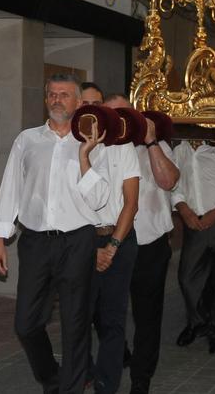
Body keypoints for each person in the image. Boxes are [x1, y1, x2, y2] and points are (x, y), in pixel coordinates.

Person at [0, 73, 112, 394]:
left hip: (77, 240)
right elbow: (10, 190)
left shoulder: (94, 142)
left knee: (75, 324)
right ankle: (53, 378)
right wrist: (0, 239)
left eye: (64, 94)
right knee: (26, 323)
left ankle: (70, 389)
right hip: (34, 242)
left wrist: (84, 157)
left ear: (76, 102)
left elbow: (100, 199)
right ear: (46, 99)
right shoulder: (27, 140)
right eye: (52, 94)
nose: (57, 99)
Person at [104, 95, 179, 394]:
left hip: (150, 243)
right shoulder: (98, 148)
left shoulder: (154, 145)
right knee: (104, 311)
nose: (118, 120)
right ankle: (118, 355)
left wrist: (150, 142)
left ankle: (141, 379)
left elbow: (169, 181)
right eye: (111, 114)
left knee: (147, 316)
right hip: (111, 244)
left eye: (124, 113)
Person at [68, 89, 141, 394]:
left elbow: (131, 203)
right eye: (85, 104)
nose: (91, 110)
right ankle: (80, 375)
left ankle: (106, 386)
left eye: (95, 104)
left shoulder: (122, 147)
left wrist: (111, 246)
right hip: (80, 242)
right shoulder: (66, 147)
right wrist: (90, 247)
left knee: (112, 321)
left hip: (118, 241)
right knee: (78, 319)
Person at [172, 133, 215, 354]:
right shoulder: (180, 149)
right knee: (187, 276)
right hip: (194, 220)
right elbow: (175, 186)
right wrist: (183, 209)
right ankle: (198, 323)